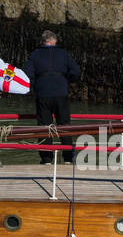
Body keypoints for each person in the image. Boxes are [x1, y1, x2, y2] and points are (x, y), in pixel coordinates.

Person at [22, 29, 81, 163]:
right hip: (61, 93)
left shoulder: (35, 54)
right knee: (64, 126)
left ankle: (47, 159)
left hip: (43, 94)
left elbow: (27, 74)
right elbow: (76, 71)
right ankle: (67, 158)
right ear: (54, 41)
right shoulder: (63, 53)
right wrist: (67, 80)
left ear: (43, 42)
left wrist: (34, 85)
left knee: (44, 127)